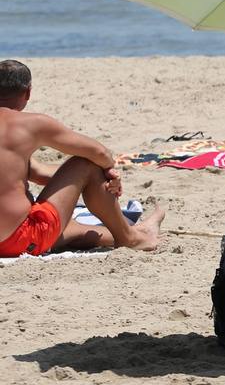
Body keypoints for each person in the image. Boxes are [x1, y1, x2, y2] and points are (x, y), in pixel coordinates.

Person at [0, 60, 164, 258]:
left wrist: (85, 179)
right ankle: (130, 238)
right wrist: (107, 172)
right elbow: (100, 153)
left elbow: (39, 173)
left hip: (13, 233)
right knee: (86, 163)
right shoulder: (30, 124)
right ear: (28, 92)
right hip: (15, 239)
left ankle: (140, 232)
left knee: (73, 228)